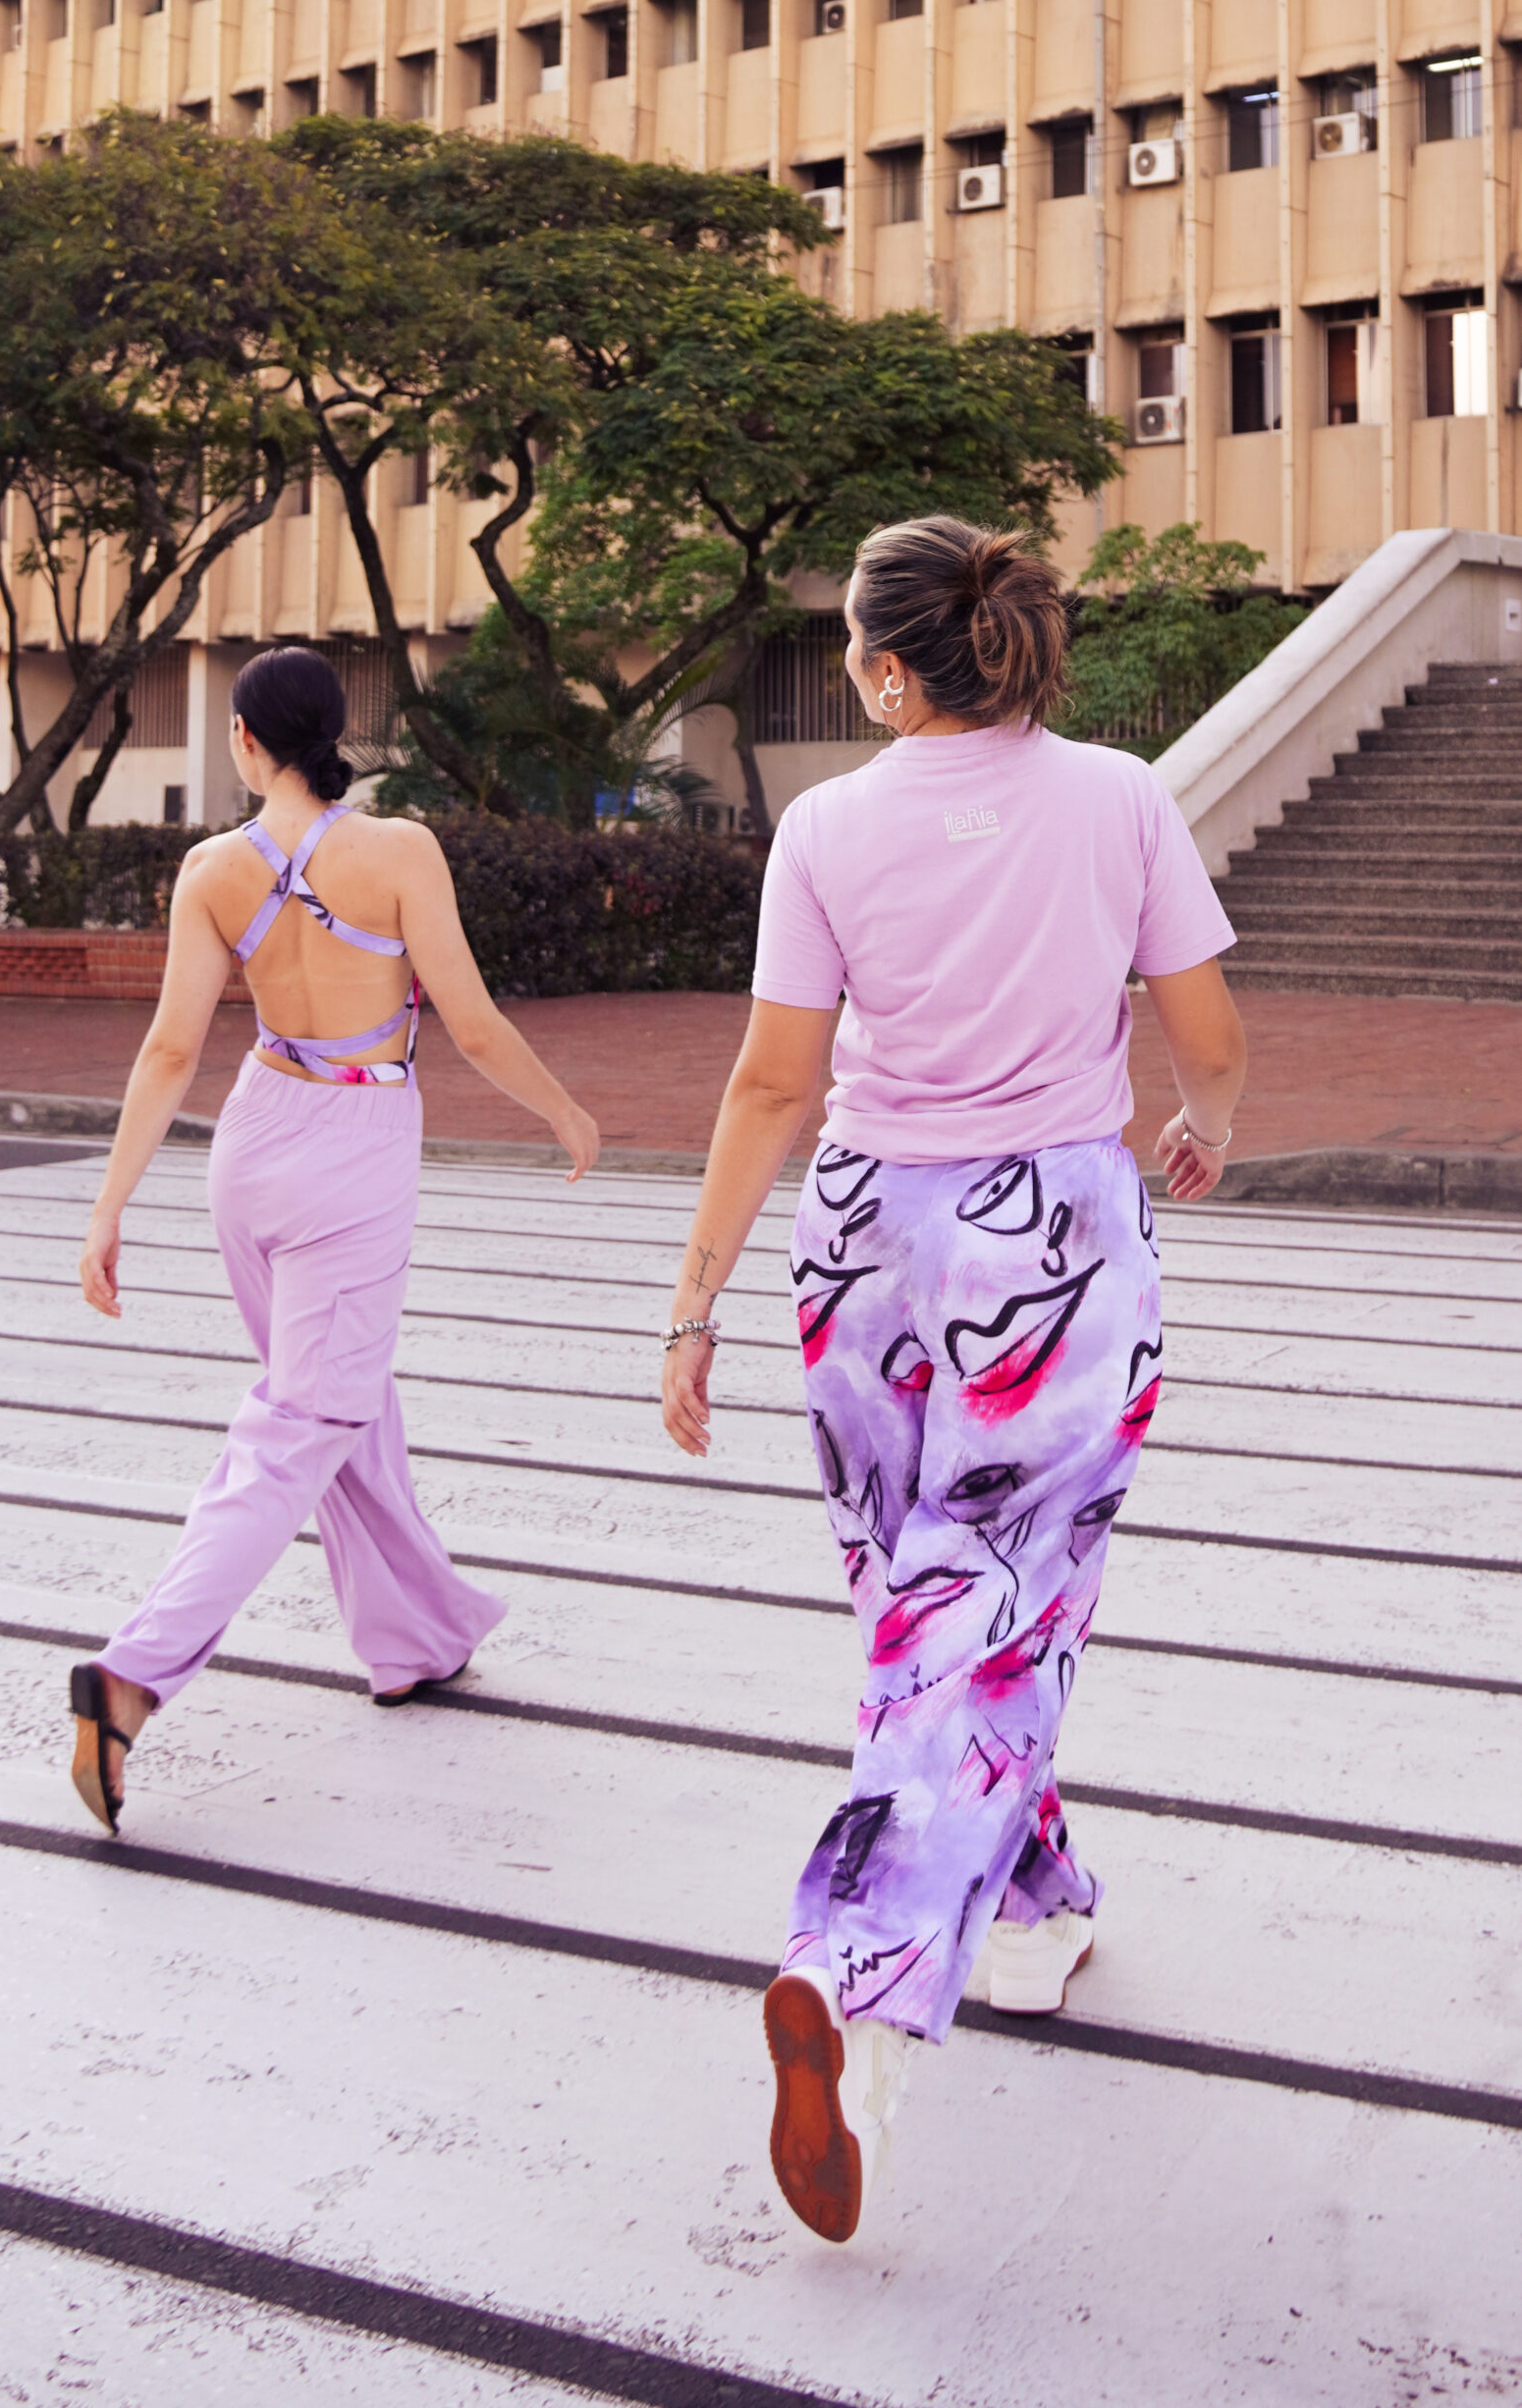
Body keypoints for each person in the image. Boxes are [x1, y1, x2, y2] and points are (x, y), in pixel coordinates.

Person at [659, 517, 1245, 2244]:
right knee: (986, 1612)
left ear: (884, 669)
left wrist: (689, 1307)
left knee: (925, 1610)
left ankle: (1039, 1905)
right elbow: (1206, 1034)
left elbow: (771, 1085)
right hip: (1043, 1243)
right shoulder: (1118, 797)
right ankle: (853, 1966)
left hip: (859, 1241)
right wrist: (1202, 1124)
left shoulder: (825, 827)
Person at [69, 646, 599, 1835]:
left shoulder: (210, 870)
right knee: (304, 1418)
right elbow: (470, 1022)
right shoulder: (399, 850)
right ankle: (134, 1673)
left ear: (247, 741)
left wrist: (108, 1209)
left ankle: (411, 1637)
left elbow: (170, 1050)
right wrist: (562, 1110)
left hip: (253, 1141)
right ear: (333, 732)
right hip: (354, 1146)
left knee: (342, 1403)